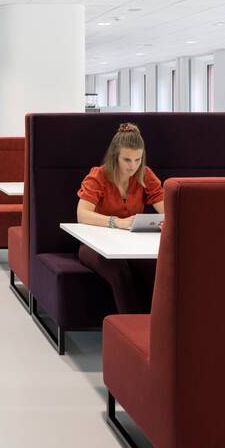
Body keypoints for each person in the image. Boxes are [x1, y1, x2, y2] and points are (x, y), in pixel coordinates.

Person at [75, 122, 164, 314]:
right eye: (127, 160)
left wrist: (168, 221)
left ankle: (157, 325)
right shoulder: (99, 176)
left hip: (131, 245)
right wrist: (117, 222)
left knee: (157, 269)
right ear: (115, 156)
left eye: (138, 159)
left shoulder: (145, 175)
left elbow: (167, 210)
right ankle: (131, 327)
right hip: (95, 245)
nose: (133, 166)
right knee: (119, 272)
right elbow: (82, 214)